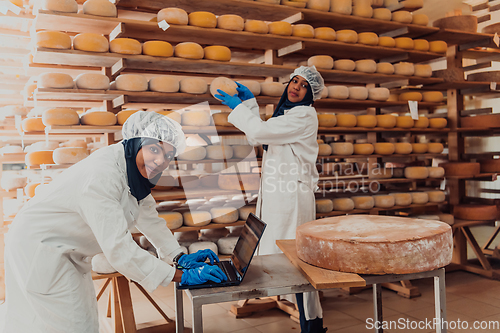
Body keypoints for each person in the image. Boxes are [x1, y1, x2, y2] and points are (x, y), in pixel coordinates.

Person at [1, 111, 226, 333]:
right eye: (154, 149)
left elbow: (149, 218)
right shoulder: (103, 175)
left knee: (81, 320)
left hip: (65, 250)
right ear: (138, 142)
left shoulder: (133, 171)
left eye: (168, 156)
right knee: (70, 325)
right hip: (40, 249)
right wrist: (182, 275)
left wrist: (179, 256)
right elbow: (119, 249)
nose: (160, 161)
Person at [215, 66, 327, 333]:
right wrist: (249, 104)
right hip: (281, 195)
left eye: (303, 85)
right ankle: (307, 319)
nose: (296, 87)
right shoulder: (287, 114)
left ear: (311, 94)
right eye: (294, 81)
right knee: (286, 259)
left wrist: (238, 106)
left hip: (292, 198)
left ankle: (312, 323)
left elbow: (260, 133)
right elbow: (261, 132)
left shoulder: (303, 115)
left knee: (298, 261)